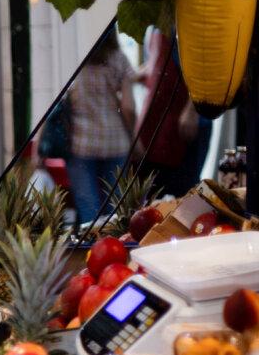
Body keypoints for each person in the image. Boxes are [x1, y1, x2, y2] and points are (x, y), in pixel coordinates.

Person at [65, 32, 136, 223]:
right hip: (115, 142)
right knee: (115, 209)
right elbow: (129, 107)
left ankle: (91, 249)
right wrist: (135, 138)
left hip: (81, 143)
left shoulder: (73, 57)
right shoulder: (119, 59)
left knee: (89, 210)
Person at [134, 27, 212, 198]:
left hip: (184, 118)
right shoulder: (154, 28)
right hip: (159, 117)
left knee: (184, 190)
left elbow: (203, 64)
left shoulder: (180, 22)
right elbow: (156, 62)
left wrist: (191, 109)